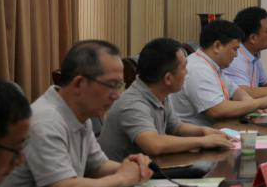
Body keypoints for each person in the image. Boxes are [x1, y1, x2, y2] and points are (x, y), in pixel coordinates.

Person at [2, 40, 153, 187]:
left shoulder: (81, 115)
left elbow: (97, 166)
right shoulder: (46, 121)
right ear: (79, 83)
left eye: (119, 85)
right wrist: (121, 178)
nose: (117, 95)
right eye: (111, 85)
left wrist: (133, 167)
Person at [98, 37, 233, 161]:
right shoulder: (133, 104)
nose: (187, 72)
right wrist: (202, 141)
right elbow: (154, 145)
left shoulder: (159, 92)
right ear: (168, 78)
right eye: (184, 68)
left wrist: (204, 132)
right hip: (123, 177)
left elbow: (176, 127)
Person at [170, 20, 267, 127]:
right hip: (196, 137)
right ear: (217, 46)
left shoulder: (211, 65)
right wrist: (258, 103)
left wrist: (251, 104)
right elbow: (217, 110)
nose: (236, 55)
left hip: (216, 130)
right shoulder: (198, 69)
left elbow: (236, 91)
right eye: (234, 49)